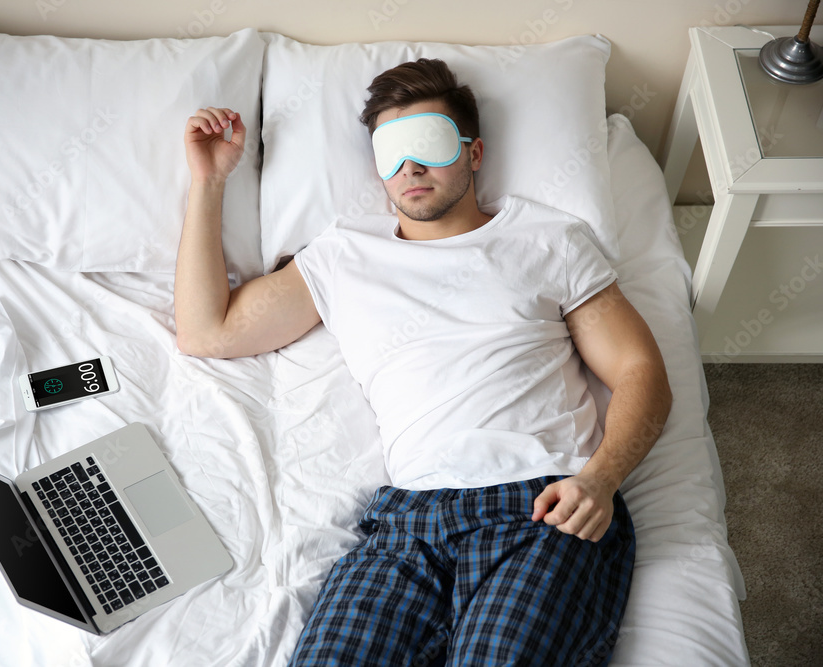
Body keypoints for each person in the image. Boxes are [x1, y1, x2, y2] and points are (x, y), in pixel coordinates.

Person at [176, 58, 672, 666]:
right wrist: (209, 181)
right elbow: (206, 332)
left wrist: (601, 478)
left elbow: (641, 372)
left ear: (474, 152)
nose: (409, 167)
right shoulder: (342, 256)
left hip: (539, 506)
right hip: (404, 525)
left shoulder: (548, 240)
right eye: (392, 153)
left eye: (429, 145)